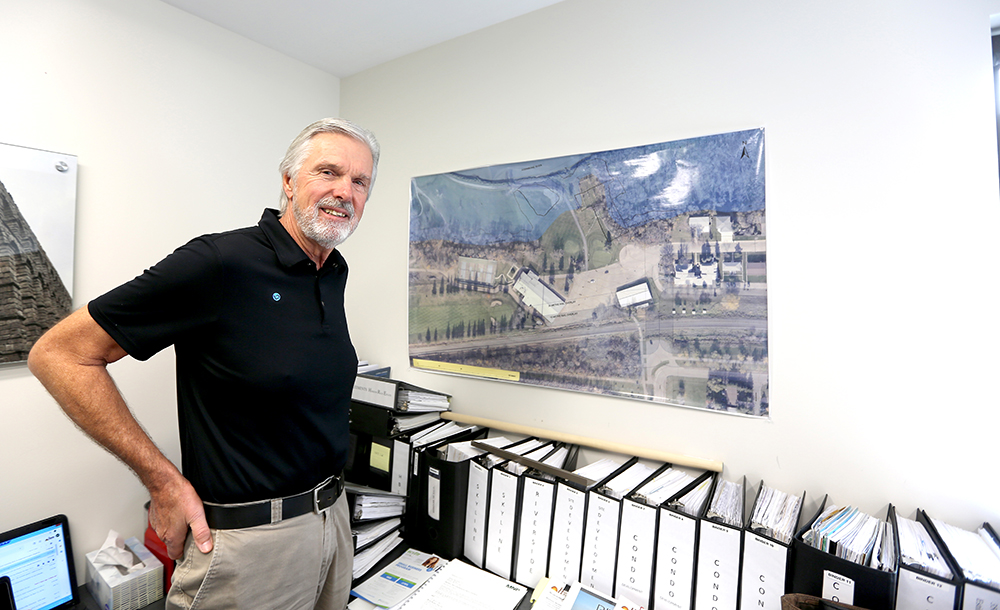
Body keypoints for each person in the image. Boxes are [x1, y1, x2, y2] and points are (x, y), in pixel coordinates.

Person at [28, 118, 379, 610]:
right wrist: (163, 482)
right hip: (249, 547)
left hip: (332, 525)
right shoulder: (220, 262)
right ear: (288, 181)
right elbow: (59, 354)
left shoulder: (332, 270)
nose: (344, 191)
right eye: (328, 172)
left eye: (359, 181)